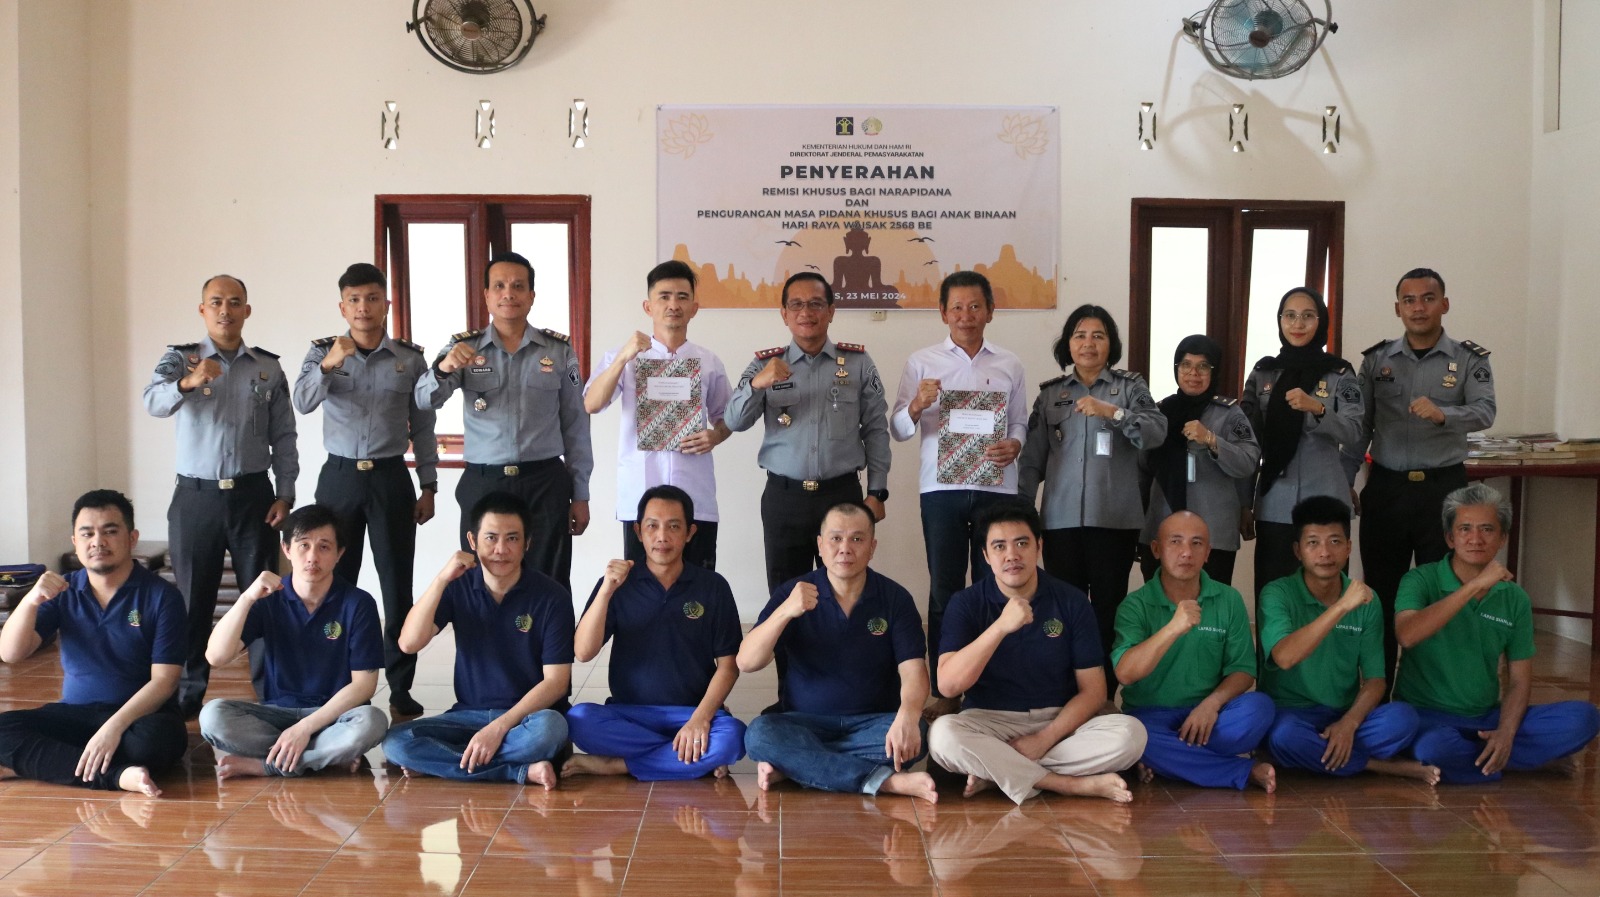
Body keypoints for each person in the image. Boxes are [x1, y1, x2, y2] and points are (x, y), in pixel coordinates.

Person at [143, 273, 298, 716]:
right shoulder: (180, 359)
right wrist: (188, 383)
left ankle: (272, 691)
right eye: (216, 302)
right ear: (202, 310)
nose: (225, 310)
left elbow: (284, 436)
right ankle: (188, 695)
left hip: (254, 496)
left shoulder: (267, 367)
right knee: (194, 601)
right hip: (196, 498)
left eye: (234, 302)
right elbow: (152, 401)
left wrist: (285, 493)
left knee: (263, 596)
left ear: (247, 310)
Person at [293, 262, 438, 717]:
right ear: (342, 306)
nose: (363, 307)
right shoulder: (321, 353)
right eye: (354, 300)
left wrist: (429, 483)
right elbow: (302, 401)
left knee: (398, 583)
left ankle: (400, 686)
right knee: (337, 582)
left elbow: (425, 426)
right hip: (339, 478)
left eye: (372, 298)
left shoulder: (410, 359)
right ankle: (337, 682)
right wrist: (331, 365)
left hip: (391, 476)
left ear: (386, 304)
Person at [929, 502, 1146, 804]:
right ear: (986, 556)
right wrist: (1000, 627)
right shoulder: (965, 604)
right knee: (942, 737)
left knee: (1132, 735)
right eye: (999, 546)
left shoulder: (1071, 601)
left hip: (1059, 721)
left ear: (1039, 547)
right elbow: (948, 686)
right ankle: (1067, 784)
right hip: (989, 721)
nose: (1012, 555)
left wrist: (1044, 739)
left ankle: (999, 774)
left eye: (1022, 543)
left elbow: (1094, 691)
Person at [1394, 484, 1600, 784]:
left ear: (1502, 538)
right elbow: (1408, 635)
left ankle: (1490, 753)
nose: (1475, 539)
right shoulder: (1419, 581)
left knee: (1584, 718)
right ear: (1450, 538)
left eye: (1487, 529)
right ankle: (1520, 762)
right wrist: (1474, 587)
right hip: (1427, 717)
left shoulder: (1514, 598)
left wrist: (1505, 732)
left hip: (1486, 716)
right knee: (1433, 747)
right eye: (1465, 529)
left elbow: (1519, 680)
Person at [415, 251, 592, 592]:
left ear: (531, 296)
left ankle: (548, 646)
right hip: (485, 481)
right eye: (499, 286)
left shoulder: (558, 351)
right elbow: (424, 400)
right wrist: (444, 368)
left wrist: (580, 492)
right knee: (481, 581)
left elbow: (576, 424)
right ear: (486, 296)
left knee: (549, 581)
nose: (508, 293)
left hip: (544, 482)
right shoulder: (463, 348)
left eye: (517, 286)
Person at [890, 271, 1028, 707]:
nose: (966, 316)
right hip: (942, 488)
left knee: (998, 585)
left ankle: (994, 687)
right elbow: (897, 428)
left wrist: (1016, 444)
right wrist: (916, 405)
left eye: (974, 307)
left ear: (990, 311)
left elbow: (1020, 420)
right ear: (943, 313)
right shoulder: (921, 362)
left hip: (998, 489)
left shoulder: (1010, 363)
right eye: (957, 307)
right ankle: (944, 688)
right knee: (945, 587)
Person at [738, 502, 936, 802]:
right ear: (820, 544)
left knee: (915, 732)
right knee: (759, 735)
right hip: (804, 722)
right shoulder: (793, 592)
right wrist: (785, 612)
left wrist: (907, 716)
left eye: (857, 539)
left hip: (873, 723)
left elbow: (913, 671)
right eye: (835, 538)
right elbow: (747, 661)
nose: (845, 548)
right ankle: (884, 782)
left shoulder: (895, 598)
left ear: (872, 546)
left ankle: (797, 766)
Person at [1357, 268, 1496, 681]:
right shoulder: (1376, 360)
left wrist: (1445, 414)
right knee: (1380, 593)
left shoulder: (1470, 359)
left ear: (1444, 304)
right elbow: (1360, 427)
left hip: (1444, 491)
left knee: (1443, 591)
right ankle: (1378, 693)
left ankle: (1435, 690)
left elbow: (1486, 411)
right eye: (1410, 300)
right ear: (1397, 308)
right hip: (1386, 487)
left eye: (1428, 298)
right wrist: (1347, 479)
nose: (1419, 308)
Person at [0, 490, 186, 795]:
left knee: (155, 743)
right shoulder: (64, 589)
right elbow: (10, 653)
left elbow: (165, 682)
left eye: (110, 531)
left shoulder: (162, 596)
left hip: (139, 718)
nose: (98, 541)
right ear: (75, 541)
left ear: (132, 537)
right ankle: (117, 776)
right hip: (75, 713)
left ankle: (45, 762)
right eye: (87, 533)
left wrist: (112, 729)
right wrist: (31, 600)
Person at [382, 492, 573, 788]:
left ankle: (448, 762)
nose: (501, 549)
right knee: (396, 743)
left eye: (512, 538)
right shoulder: (458, 586)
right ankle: (517, 771)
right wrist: (441, 579)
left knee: (553, 728)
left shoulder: (552, 596)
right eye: (491, 538)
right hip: (467, 715)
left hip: (527, 719)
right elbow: (408, 644)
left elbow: (557, 683)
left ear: (527, 543)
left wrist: (498, 728)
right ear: (472, 541)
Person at [563, 485, 745, 780]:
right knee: (578, 719)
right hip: (630, 714)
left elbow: (729, 665)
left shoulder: (713, 587)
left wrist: (700, 719)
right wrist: (607, 590)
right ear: (638, 531)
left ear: (690, 533)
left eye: (674, 526)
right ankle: (688, 757)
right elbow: (583, 652)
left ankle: (619, 765)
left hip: (690, 712)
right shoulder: (617, 584)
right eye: (652, 526)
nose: (662, 536)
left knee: (733, 737)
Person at [725, 272, 891, 592]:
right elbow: (734, 421)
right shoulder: (765, 364)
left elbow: (876, 429)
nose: (806, 312)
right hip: (784, 499)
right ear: (784, 313)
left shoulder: (857, 363)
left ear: (831, 311)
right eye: (796, 304)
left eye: (816, 303)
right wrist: (757, 384)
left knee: (844, 589)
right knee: (786, 594)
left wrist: (877, 491)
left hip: (841, 496)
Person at [1018, 305, 1164, 663]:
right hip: (1060, 521)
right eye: (1080, 335)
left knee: (1108, 611)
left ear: (1110, 344)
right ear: (1068, 344)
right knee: (1061, 611)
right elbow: (1032, 460)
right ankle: (1065, 688)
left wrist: (1112, 412)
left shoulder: (1131, 388)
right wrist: (1021, 512)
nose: (1088, 343)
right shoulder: (1051, 395)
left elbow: (1156, 432)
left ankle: (1104, 695)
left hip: (1113, 521)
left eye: (1098, 335)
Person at [199, 505, 388, 778]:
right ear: (287, 549)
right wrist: (247, 598)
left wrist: (304, 728)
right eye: (303, 545)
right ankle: (322, 756)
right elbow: (216, 657)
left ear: (339, 554)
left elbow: (364, 686)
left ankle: (270, 764)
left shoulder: (358, 603)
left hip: (334, 715)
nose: (312, 557)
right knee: (212, 716)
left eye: (324, 547)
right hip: (277, 714)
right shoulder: (268, 598)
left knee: (372, 721)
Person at [1259, 496, 1437, 782]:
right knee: (1283, 737)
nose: (1325, 553)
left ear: (1349, 548)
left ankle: (1326, 754)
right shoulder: (1277, 594)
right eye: (1313, 543)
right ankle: (1379, 766)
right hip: (1293, 715)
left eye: (1335, 541)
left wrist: (1349, 723)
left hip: (1343, 712)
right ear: (1298, 551)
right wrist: (1341, 607)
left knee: (1402, 718)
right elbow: (1285, 656)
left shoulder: (1367, 600)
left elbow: (1376, 679)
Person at [583, 261, 732, 570]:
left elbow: (726, 416)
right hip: (641, 495)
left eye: (681, 296)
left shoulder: (708, 361)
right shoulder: (623, 356)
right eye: (664, 296)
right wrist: (625, 356)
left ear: (694, 307)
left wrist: (715, 435)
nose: (673, 305)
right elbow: (592, 404)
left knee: (698, 586)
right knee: (639, 590)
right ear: (648, 306)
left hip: (695, 495)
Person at [1112, 511, 1275, 791]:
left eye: (1197, 543)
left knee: (1259, 708)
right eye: (1175, 542)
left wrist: (1210, 705)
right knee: (1129, 735)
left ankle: (1171, 761)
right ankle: (1241, 771)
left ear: (1208, 552)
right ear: (1156, 550)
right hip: (1152, 716)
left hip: (1209, 716)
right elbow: (1125, 674)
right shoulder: (1135, 605)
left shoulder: (1229, 599)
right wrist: (1173, 627)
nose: (1186, 552)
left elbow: (1243, 671)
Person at [1241, 287, 1361, 599]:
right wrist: (1244, 502)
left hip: (1326, 502)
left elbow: (1353, 432)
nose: (1298, 323)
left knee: (1327, 601)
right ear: (1279, 321)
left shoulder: (1340, 372)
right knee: (1272, 598)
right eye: (1290, 316)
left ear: (1320, 322)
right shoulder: (1263, 372)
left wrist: (1318, 409)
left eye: (1308, 316)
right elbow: (1248, 444)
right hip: (1274, 503)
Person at [1138, 335, 1259, 586]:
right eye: (1185, 365)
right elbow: (1141, 468)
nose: (1193, 373)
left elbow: (1248, 461)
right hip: (1162, 530)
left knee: (1211, 612)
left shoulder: (1230, 414)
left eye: (1203, 366)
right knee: (1160, 610)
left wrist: (1212, 439)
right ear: (1176, 369)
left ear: (1214, 372)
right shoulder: (1159, 414)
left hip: (1213, 534)